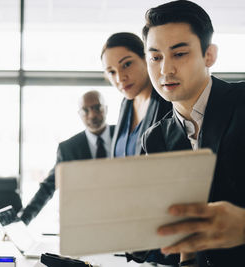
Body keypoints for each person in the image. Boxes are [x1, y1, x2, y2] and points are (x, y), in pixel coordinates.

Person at [141, 1, 245, 266]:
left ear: (209, 55)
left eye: (179, 54)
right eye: (155, 57)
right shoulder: (155, 138)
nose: (165, 70)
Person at [101, 32, 174, 265]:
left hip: (166, 237)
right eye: (111, 72)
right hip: (135, 236)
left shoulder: (167, 102)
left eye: (127, 64)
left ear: (146, 58)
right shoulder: (126, 104)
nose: (120, 77)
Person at [19, 90, 114, 224]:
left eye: (97, 107)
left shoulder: (125, 135)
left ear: (106, 108)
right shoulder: (68, 149)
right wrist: (23, 219)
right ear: (79, 115)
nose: (92, 115)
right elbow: (49, 186)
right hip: (85, 221)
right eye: (85, 110)